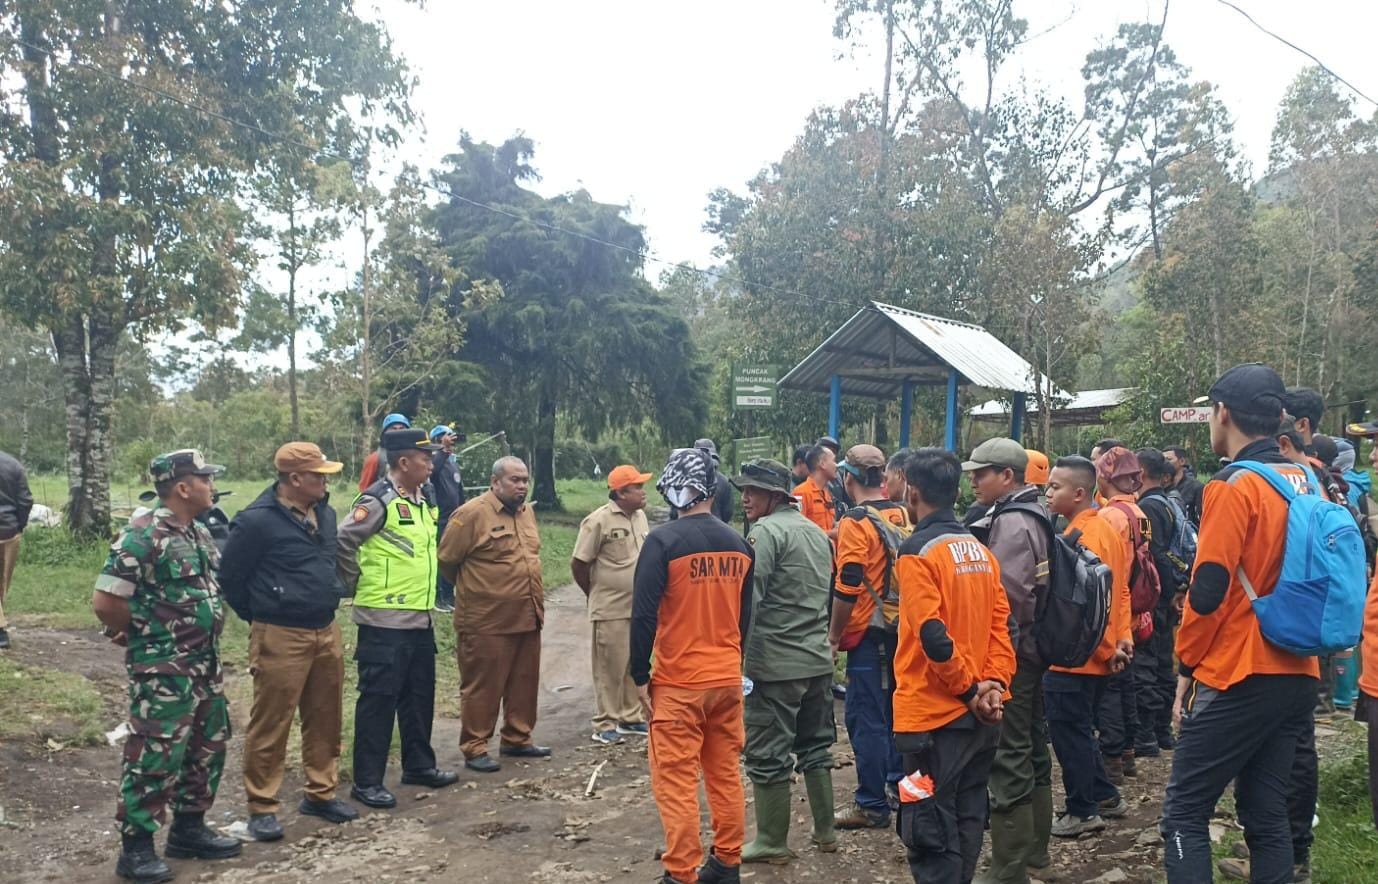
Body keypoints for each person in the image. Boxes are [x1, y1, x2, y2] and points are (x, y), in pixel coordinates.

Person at [1161, 364, 1320, 884]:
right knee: (1266, 814)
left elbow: (1208, 589)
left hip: (1241, 669)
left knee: (1184, 812)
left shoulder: (1232, 485)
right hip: (1298, 668)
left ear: (1222, 413)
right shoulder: (1304, 478)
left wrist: (1187, 664)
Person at [93, 450, 241, 882]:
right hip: (163, 670)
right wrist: (145, 634)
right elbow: (106, 602)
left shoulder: (197, 531)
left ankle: (189, 829)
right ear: (182, 487)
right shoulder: (142, 535)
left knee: (206, 746)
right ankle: (136, 848)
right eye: (205, 479)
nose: (211, 486)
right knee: (154, 754)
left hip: (204, 664)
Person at [219, 443, 357, 842]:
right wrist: (265, 614)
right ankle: (262, 806)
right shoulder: (256, 521)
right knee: (272, 721)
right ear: (294, 479)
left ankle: (321, 793)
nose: (325, 482)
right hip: (280, 633)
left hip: (325, 628)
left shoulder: (325, 513)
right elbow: (231, 579)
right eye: (318, 475)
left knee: (325, 716)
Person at [892, 447, 1016, 884]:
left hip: (930, 720)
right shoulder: (980, 551)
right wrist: (993, 685)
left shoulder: (917, 551)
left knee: (925, 821)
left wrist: (967, 690)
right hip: (981, 721)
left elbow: (932, 635)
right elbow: (1003, 627)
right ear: (956, 492)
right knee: (967, 816)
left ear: (912, 491)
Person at [631, 448, 754, 884]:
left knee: (677, 780)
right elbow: (743, 618)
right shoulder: (740, 545)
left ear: (672, 488)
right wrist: (734, 664)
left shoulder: (661, 543)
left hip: (679, 683)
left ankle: (681, 873)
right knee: (724, 774)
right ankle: (727, 863)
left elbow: (643, 615)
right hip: (726, 678)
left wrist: (639, 674)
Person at [337, 428, 458, 808]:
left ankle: (419, 765)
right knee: (378, 701)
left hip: (419, 617)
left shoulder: (424, 498)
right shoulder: (377, 500)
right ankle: (367, 781)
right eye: (425, 458)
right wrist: (353, 582)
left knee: (419, 695)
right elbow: (343, 540)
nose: (431, 464)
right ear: (404, 462)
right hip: (382, 620)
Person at [734, 458, 837, 863]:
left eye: (753, 491)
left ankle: (772, 840)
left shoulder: (765, 533)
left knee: (767, 752)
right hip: (817, 661)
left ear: (775, 496)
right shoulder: (815, 533)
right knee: (816, 747)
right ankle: (826, 832)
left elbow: (750, 599)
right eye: (744, 490)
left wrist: (736, 654)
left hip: (775, 666)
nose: (745, 498)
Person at [963, 438, 1053, 882]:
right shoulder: (1035, 512)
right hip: (1033, 651)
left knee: (1011, 754)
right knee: (1032, 746)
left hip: (1015, 656)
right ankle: (1034, 854)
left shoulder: (1014, 523)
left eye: (981, 473)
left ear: (1007, 476)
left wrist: (992, 663)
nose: (974, 481)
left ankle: (1008, 869)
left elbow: (1007, 601)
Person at [438, 456, 549, 772]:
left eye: (525, 480)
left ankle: (517, 738)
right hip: (486, 619)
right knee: (483, 686)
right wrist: (480, 590)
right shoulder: (471, 514)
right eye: (515, 480)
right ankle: (475, 746)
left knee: (524, 682)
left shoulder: (527, 512)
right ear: (495, 482)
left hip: (527, 613)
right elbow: (447, 560)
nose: (522, 486)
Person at [1043, 456, 1132, 838]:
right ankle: (1104, 795)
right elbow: (1121, 591)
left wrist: (1106, 648)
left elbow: (1088, 608)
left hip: (1075, 660)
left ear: (1079, 493)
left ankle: (1082, 810)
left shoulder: (1081, 538)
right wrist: (1122, 639)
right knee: (1080, 730)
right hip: (1099, 655)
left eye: (1055, 487)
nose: (1048, 493)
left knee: (1071, 737)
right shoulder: (1105, 529)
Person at [829, 445, 908, 832]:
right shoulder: (902, 513)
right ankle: (898, 787)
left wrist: (833, 635)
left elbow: (849, 581)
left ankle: (872, 804)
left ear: (850, 478)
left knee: (866, 718)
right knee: (896, 713)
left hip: (868, 632)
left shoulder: (855, 521)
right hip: (902, 629)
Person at [571, 464, 652, 745]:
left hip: (638, 607)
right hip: (610, 608)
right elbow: (579, 563)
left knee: (634, 662)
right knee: (609, 668)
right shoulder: (598, 521)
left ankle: (630, 717)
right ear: (621, 493)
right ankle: (605, 722)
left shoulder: (640, 517)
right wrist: (593, 592)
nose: (643, 492)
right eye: (637, 487)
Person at [1092, 448, 1152, 786]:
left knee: (1110, 688)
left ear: (1105, 476)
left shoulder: (1109, 517)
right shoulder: (1139, 513)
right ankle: (1128, 751)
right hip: (1132, 611)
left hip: (1114, 610)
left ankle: (1112, 760)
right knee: (1125, 682)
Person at [1134, 448, 1188, 755]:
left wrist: (1164, 592)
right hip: (1169, 593)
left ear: (1141, 472)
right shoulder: (1169, 502)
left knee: (1149, 664)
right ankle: (1162, 732)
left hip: (1156, 597)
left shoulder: (1148, 508)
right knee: (1164, 662)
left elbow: (1152, 553)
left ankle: (1148, 734)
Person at [428, 425, 465, 614]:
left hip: (455, 519)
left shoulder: (452, 462)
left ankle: (450, 595)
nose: (450, 441)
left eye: (451, 438)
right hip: (439, 518)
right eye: (445, 438)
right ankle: (439, 597)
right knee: (441, 558)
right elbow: (432, 472)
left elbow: (459, 489)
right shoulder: (433, 460)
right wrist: (442, 449)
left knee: (453, 558)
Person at [0, 448, 33, 651]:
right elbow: (26, 500)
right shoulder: (13, 464)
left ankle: (0, 632)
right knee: (3, 582)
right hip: (10, 531)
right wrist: (19, 526)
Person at [667, 438, 734, 523]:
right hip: (717, 527)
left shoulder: (683, 480)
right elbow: (727, 514)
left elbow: (674, 513)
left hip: (687, 527)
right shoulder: (725, 482)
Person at [357, 412, 411, 491]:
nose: (398, 432)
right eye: (393, 429)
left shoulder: (414, 457)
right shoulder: (374, 459)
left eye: (402, 428)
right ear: (384, 434)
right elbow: (364, 490)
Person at [796, 443, 838, 534]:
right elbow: (797, 531)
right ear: (822, 464)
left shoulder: (826, 493)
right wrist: (831, 533)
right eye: (834, 461)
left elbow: (830, 524)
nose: (836, 465)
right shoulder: (800, 493)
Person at [1163, 447, 1204, 526]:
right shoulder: (1160, 487)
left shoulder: (1196, 487)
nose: (1164, 463)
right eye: (1163, 460)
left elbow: (1202, 519)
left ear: (1182, 461)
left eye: (1168, 459)